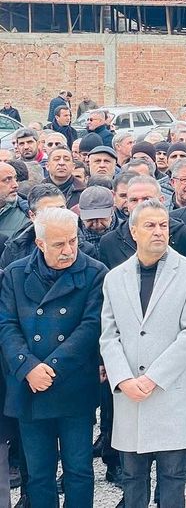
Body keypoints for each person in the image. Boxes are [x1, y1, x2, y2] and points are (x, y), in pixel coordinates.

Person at [99, 198, 186, 508]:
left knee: (173, 478)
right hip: (130, 394)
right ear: (133, 231)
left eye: (163, 225)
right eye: (150, 225)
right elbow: (109, 335)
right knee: (133, 478)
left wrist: (153, 378)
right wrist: (123, 379)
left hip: (170, 391)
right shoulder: (114, 278)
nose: (158, 231)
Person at [0, 207, 106, 508]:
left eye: (73, 241)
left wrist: (52, 367)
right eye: (59, 244)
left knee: (79, 470)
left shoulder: (94, 272)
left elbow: (90, 327)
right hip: (30, 386)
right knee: (39, 473)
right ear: (40, 243)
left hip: (72, 383)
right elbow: (6, 324)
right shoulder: (16, 273)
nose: (68, 250)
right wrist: (29, 367)